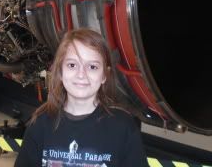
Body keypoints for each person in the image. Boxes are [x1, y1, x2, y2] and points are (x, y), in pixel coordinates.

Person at [14, 28, 148, 167]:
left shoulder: (123, 127)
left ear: (104, 75)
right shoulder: (40, 124)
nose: (81, 74)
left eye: (92, 67)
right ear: (60, 71)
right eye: (72, 65)